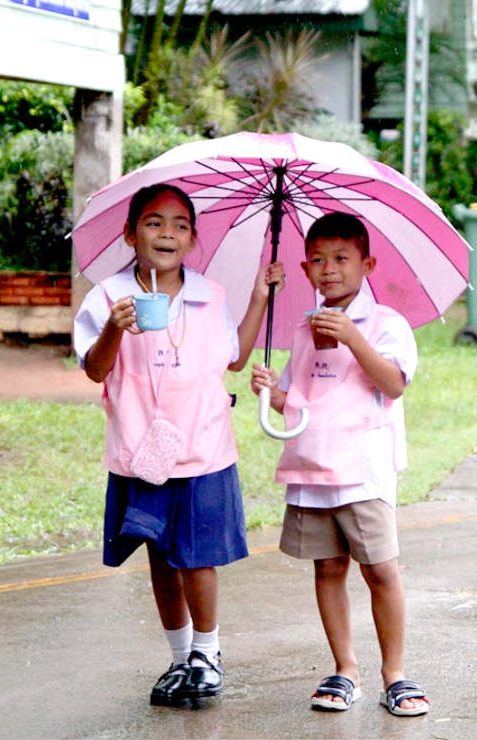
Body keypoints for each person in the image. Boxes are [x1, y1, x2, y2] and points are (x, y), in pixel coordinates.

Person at [73, 183, 284, 706]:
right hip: (140, 450)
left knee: (197, 557)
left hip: (204, 446)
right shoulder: (106, 296)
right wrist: (115, 331)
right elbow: (95, 370)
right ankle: (179, 656)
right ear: (130, 233)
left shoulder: (209, 294)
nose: (167, 232)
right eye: (153, 222)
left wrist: (260, 296)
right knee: (160, 557)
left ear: (192, 240)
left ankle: (207, 654)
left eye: (180, 225)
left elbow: (233, 358)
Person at [250, 212, 430, 717]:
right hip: (312, 466)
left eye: (342, 259)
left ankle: (394, 672)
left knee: (381, 570)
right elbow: (299, 401)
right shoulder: (305, 330)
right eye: (318, 261)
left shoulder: (387, 324)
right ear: (305, 269)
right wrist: (273, 392)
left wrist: (354, 337)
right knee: (328, 568)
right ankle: (344, 667)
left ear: (367, 264)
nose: (329, 269)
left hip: (362, 469)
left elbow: (392, 385)